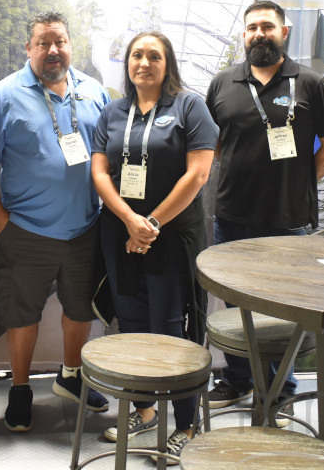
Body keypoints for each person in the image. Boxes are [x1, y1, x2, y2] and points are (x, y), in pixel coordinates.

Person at [205, 0, 324, 410]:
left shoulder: (312, 83)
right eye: (252, 28)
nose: (259, 34)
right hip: (232, 216)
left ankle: (280, 392)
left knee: (281, 309)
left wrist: (298, 184)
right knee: (235, 304)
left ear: (284, 32)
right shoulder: (223, 83)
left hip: (287, 220)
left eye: (267, 26)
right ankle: (237, 379)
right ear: (244, 35)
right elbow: (214, 144)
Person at [91, 31, 219, 463]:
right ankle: (144, 410)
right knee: (130, 322)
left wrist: (151, 224)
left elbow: (198, 174)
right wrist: (130, 220)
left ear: (168, 65)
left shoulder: (189, 106)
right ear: (127, 63)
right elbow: (100, 172)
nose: (143, 63)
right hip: (121, 234)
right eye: (136, 55)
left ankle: (186, 424)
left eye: (154, 56)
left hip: (172, 236)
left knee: (171, 329)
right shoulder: (113, 110)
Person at [0, 11, 111, 433]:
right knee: (21, 314)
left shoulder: (93, 91)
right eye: (43, 43)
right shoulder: (4, 95)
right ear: (29, 48)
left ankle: (71, 376)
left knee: (80, 309)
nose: (52, 50)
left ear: (71, 46)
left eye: (60, 42)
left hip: (85, 228)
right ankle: (20, 389)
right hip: (25, 231)